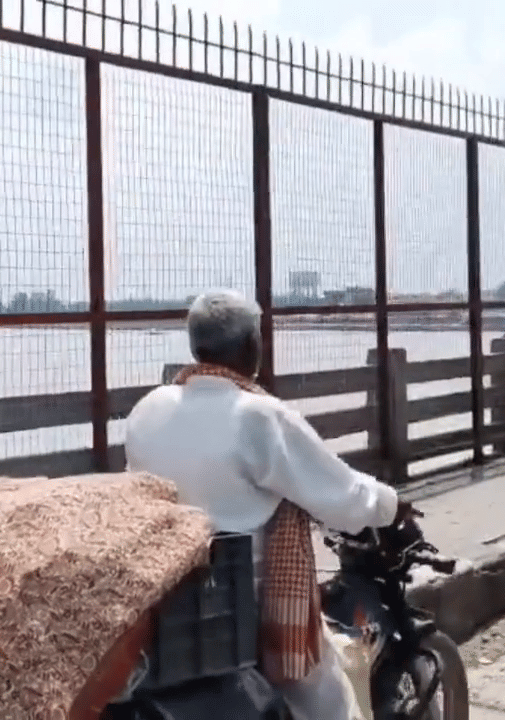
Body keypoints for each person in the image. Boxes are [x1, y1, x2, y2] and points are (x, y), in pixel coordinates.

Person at [123, 289, 418, 720]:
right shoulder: (257, 416)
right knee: (329, 695)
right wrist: (392, 508)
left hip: (168, 602)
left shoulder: (147, 409)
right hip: (248, 602)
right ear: (249, 346)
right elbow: (341, 494)